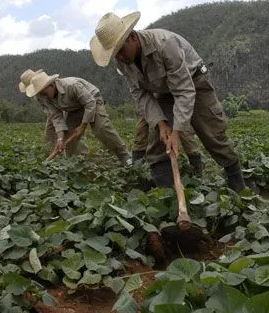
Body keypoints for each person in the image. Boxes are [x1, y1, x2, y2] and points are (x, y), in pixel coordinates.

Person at [90, 11, 245, 192]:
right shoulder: (123, 63)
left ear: (131, 37)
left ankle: (238, 185)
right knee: (157, 141)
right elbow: (141, 95)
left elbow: (184, 91)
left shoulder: (165, 45)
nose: (120, 58)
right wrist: (162, 125)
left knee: (211, 134)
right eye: (115, 55)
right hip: (163, 91)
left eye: (121, 51)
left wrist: (176, 132)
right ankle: (167, 194)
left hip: (194, 81)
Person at [23, 70, 132, 165]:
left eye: (44, 93)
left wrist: (83, 126)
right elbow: (57, 118)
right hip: (73, 109)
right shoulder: (46, 98)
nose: (44, 96)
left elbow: (90, 103)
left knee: (101, 128)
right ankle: (78, 163)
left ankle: (125, 156)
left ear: (51, 85)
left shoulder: (71, 85)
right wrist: (60, 139)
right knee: (69, 136)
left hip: (92, 100)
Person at [19, 69, 88, 154]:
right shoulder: (38, 94)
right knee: (50, 134)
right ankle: (55, 154)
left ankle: (81, 154)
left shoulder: (45, 85)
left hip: (62, 109)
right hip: (52, 113)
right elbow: (49, 110)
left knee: (71, 131)